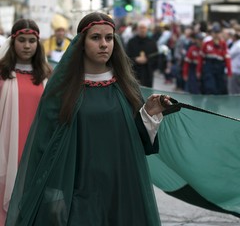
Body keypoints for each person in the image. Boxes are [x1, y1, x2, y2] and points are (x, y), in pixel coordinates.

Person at [5, 12, 172, 226]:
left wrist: (149, 113)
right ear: (81, 43)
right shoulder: (62, 90)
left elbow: (139, 141)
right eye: (96, 38)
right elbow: (44, 145)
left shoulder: (126, 87)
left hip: (121, 187)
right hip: (78, 189)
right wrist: (52, 194)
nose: (104, 44)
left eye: (109, 38)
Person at [0, 18, 52, 225]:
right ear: (13, 42)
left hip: (36, 151)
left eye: (32, 40)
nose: (27, 45)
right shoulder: (2, 74)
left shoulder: (47, 76)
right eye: (22, 40)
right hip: (5, 150)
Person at [197, 22, 232, 94]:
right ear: (212, 33)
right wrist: (198, 71)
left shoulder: (223, 44)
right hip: (209, 67)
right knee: (210, 87)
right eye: (214, 32)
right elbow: (201, 58)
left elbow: (227, 59)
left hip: (219, 68)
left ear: (220, 33)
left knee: (219, 89)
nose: (216, 34)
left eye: (218, 32)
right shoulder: (207, 44)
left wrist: (229, 72)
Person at [126, 20, 159, 87]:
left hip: (148, 72)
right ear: (137, 29)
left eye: (144, 28)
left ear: (147, 29)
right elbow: (126, 56)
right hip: (135, 72)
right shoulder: (131, 42)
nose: (142, 30)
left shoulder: (152, 42)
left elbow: (156, 56)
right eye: (140, 28)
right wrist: (135, 59)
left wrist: (147, 59)